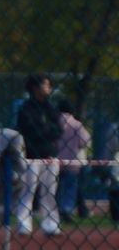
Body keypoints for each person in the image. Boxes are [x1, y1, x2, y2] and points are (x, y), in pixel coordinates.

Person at [13, 73, 63, 235]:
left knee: (50, 191)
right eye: (45, 85)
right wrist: (44, 130)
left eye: (49, 85)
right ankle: (23, 223)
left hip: (49, 155)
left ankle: (51, 224)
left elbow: (58, 130)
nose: (48, 88)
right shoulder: (26, 108)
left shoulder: (50, 108)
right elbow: (29, 130)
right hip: (31, 155)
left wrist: (44, 130)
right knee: (28, 189)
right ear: (34, 88)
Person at [57, 99, 90, 223]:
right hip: (73, 160)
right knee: (70, 186)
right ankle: (67, 209)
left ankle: (57, 210)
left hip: (57, 160)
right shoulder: (76, 124)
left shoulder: (54, 122)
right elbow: (85, 141)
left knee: (57, 187)